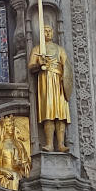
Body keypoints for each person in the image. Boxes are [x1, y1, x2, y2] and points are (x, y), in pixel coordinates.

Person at [28, 24, 70, 152]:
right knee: (48, 113)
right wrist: (39, 64)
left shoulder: (59, 49)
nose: (47, 33)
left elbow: (67, 66)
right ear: (41, 33)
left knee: (60, 114)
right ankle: (49, 144)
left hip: (58, 82)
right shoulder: (37, 49)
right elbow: (31, 66)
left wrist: (64, 78)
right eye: (45, 31)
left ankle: (61, 144)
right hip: (45, 81)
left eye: (49, 31)